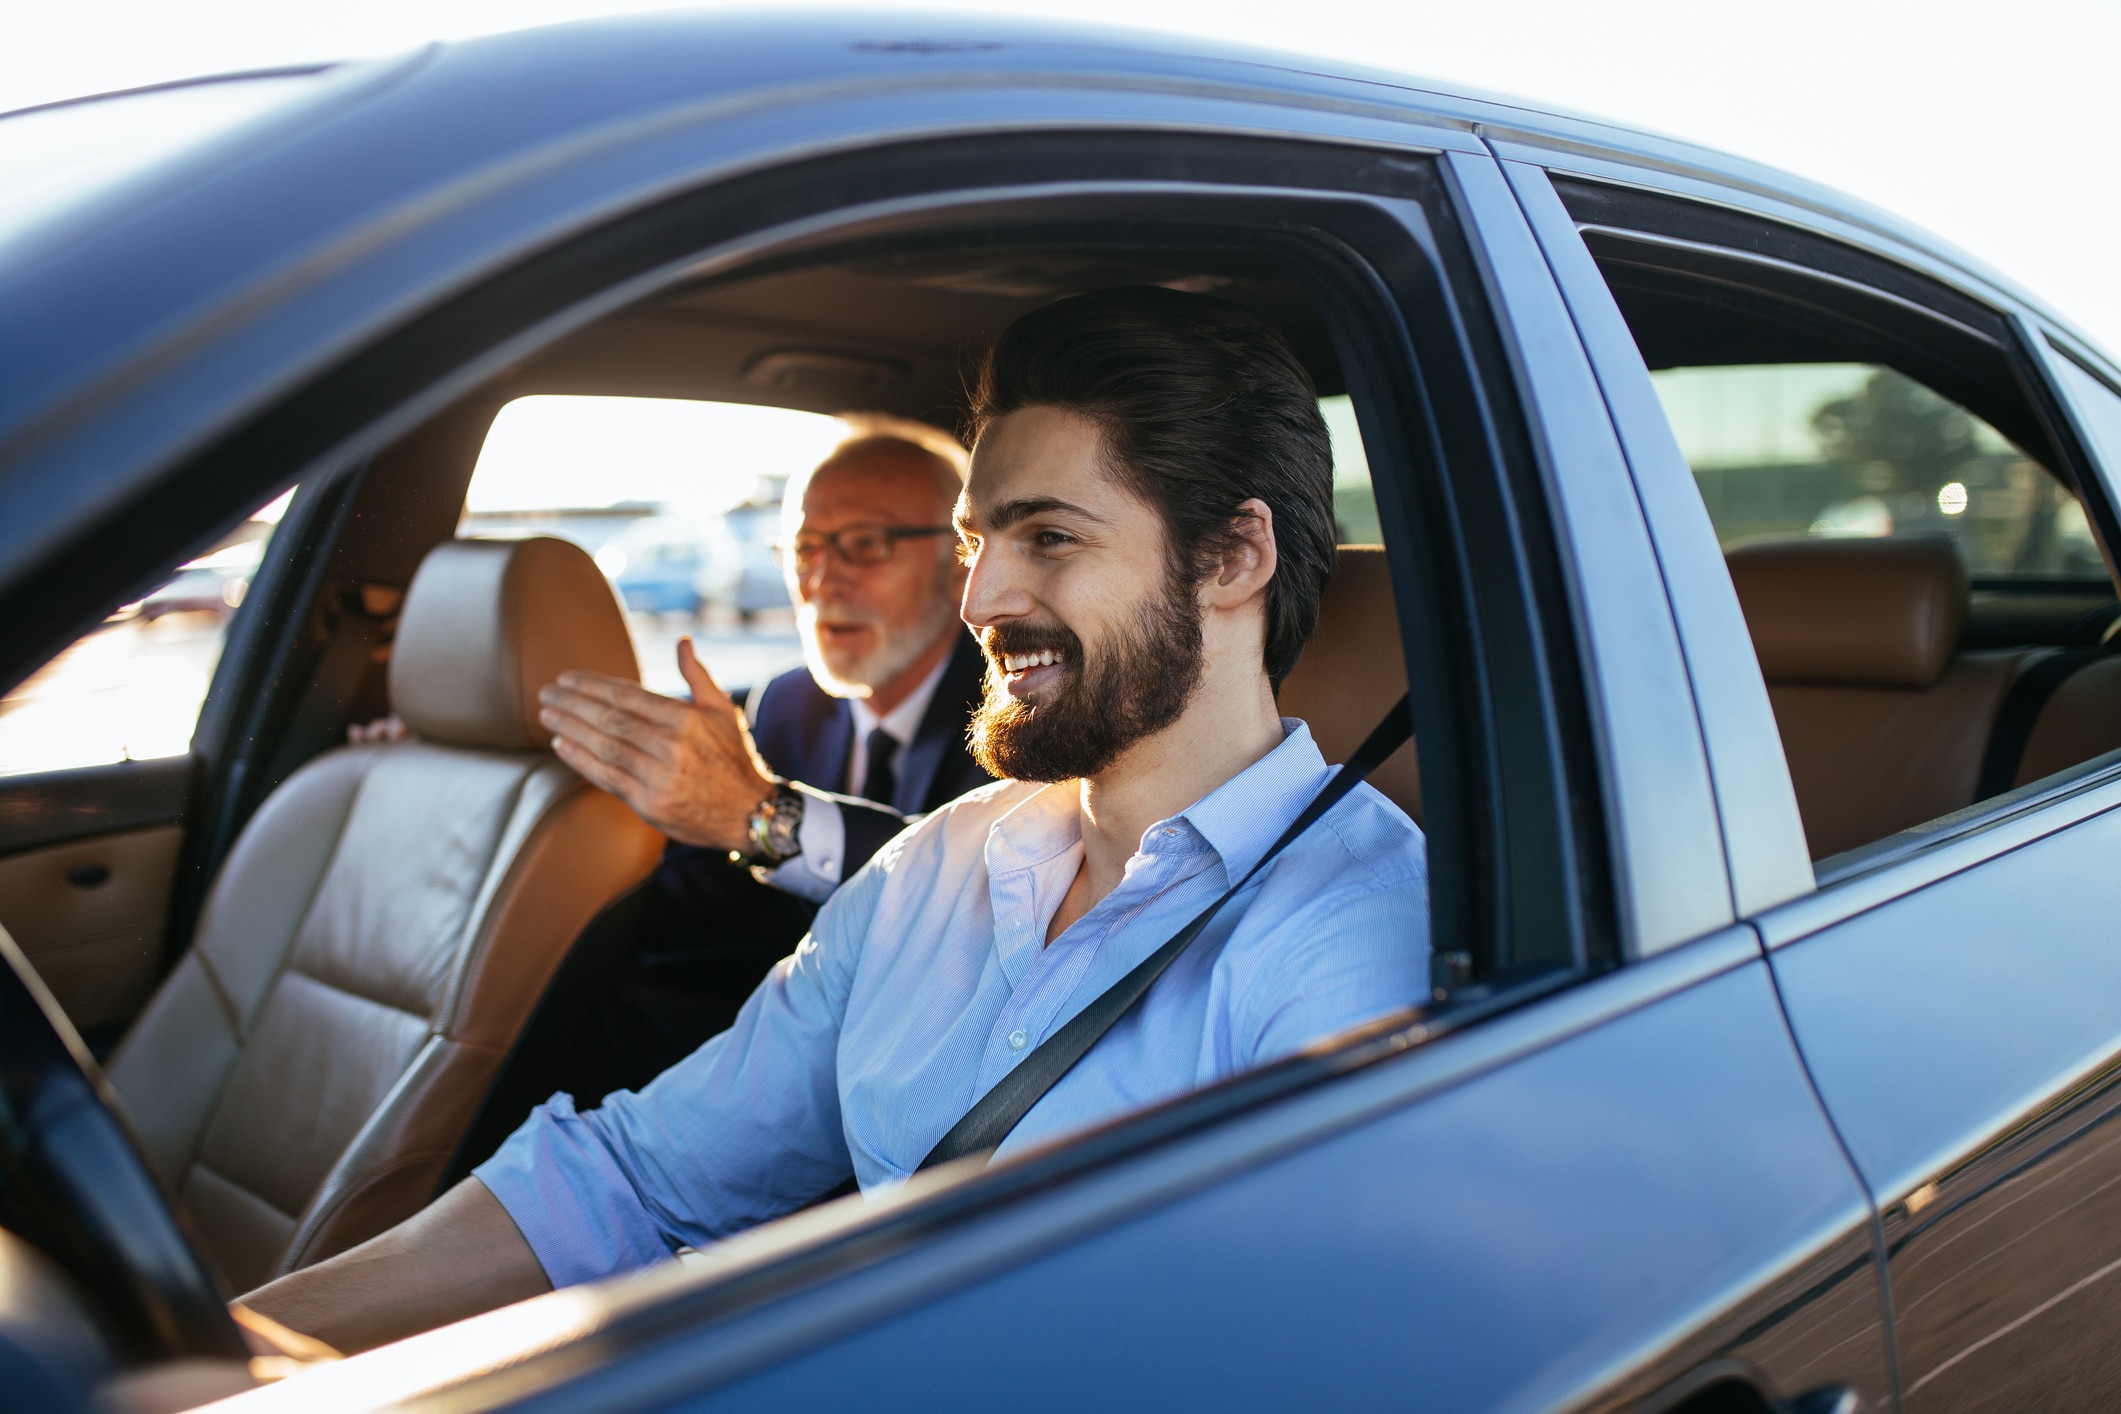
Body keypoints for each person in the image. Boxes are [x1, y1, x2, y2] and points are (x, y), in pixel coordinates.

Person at [241, 286, 1431, 1353]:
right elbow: (630, 1178)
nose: (979, 600)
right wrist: (245, 1357)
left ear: (1233, 557)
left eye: (1049, 538)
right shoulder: (934, 867)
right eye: (975, 543)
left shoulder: (1348, 940)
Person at [526, 418, 996, 1102]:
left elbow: (981, 889)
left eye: (865, 544)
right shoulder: (785, 705)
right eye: (803, 547)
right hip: (792, 1054)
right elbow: (691, 903)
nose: (822, 578)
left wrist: (760, 815)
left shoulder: (1013, 711)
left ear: (962, 559)